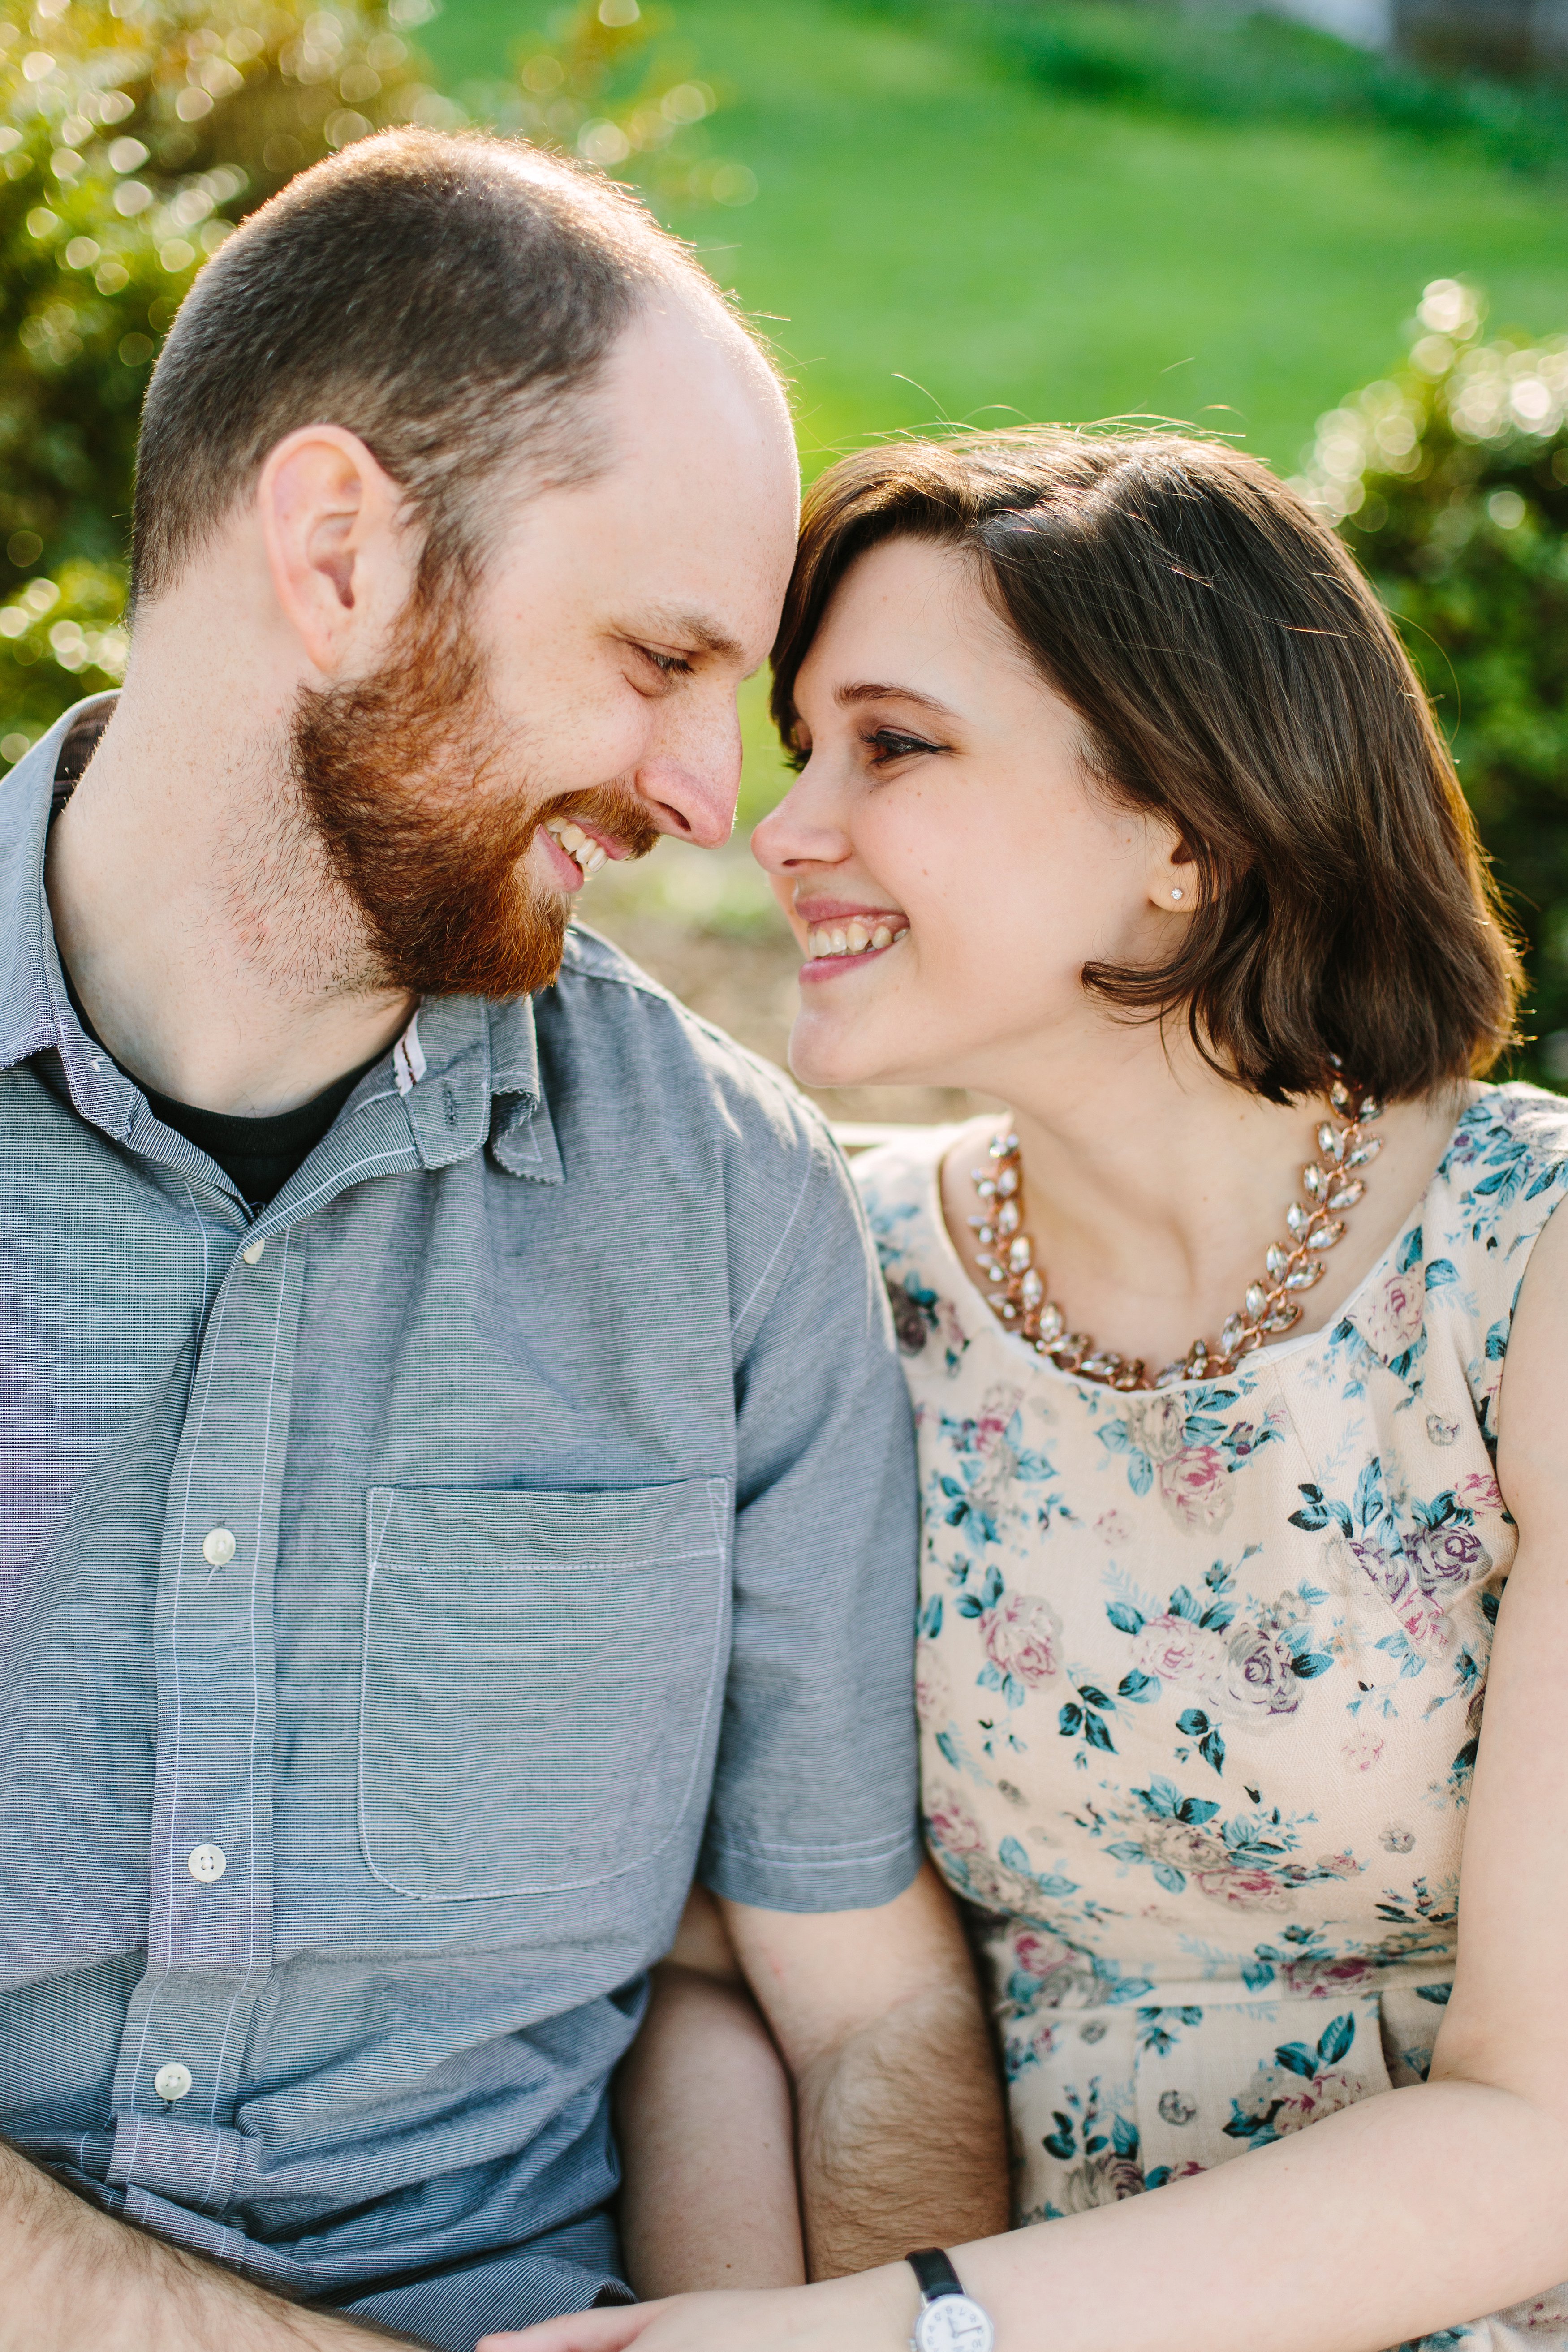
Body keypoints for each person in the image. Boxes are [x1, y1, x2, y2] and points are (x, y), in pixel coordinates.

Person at [0, 136, 1010, 2352]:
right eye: (655, 660)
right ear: (340, 550)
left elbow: (861, 2017)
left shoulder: (725, 1215)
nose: (705, 803)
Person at [495, 430, 1568, 2352]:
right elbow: (714, 1959)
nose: (781, 826)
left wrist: (891, 2337)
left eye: (890, 745)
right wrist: (743, 2323)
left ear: (1190, 830)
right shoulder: (835, 1274)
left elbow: (1537, 2129)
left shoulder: (1526, 1268)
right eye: (799, 742)